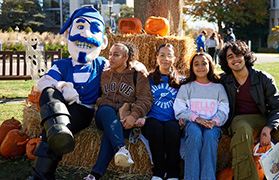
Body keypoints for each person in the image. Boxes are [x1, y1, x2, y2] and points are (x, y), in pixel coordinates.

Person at [27, 6, 109, 180]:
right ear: (67, 35)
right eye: (80, 27)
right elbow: (44, 83)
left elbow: (121, 72)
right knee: (48, 92)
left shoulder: (101, 64)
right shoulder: (62, 65)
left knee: (52, 131)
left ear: (104, 42)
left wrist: (136, 66)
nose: (86, 34)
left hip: (82, 110)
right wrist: (64, 86)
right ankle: (58, 130)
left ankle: (40, 176)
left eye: (94, 30)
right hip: (61, 106)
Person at [218, 40, 279, 180]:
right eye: (230, 57)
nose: (235, 59)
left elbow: (277, 107)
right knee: (243, 132)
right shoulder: (223, 81)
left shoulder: (263, 78)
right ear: (226, 61)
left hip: (264, 118)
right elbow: (202, 82)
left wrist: (268, 127)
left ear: (245, 56)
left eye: (238, 55)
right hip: (240, 120)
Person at [84, 42, 153, 180]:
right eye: (110, 54)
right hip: (104, 115)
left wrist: (133, 116)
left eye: (116, 55)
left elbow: (146, 100)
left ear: (126, 57)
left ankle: (94, 175)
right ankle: (121, 148)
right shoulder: (104, 75)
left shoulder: (138, 76)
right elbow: (93, 94)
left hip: (124, 118)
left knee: (112, 131)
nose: (111, 57)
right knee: (106, 111)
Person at [173, 52, 229, 180]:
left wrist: (215, 121)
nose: (200, 67)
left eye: (204, 63)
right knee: (195, 134)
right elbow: (179, 109)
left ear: (210, 65)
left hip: (212, 125)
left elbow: (224, 109)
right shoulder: (187, 87)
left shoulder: (218, 88)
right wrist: (196, 118)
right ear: (192, 68)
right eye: (196, 64)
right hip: (192, 123)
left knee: (209, 137)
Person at [141, 43, 183, 180]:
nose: (166, 58)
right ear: (157, 57)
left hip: (172, 119)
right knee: (156, 129)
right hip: (152, 118)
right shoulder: (148, 78)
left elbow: (186, 102)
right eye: (162, 55)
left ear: (174, 59)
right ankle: (158, 171)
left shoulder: (180, 81)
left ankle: (172, 172)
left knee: (172, 130)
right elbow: (140, 99)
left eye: (169, 55)